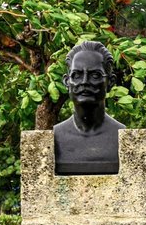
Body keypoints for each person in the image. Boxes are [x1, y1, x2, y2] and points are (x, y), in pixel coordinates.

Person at [53, 41, 126, 175]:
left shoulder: (124, 138)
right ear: (67, 82)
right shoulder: (54, 138)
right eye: (77, 75)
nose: (85, 81)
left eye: (95, 75)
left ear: (110, 82)